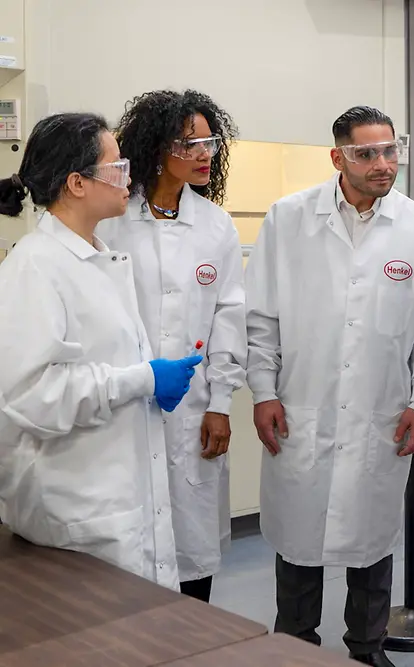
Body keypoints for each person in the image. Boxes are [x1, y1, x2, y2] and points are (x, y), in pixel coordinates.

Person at [245, 105, 414, 666]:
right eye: (367, 154)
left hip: (382, 409)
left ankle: (367, 649)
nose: (383, 164)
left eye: (391, 151)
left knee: (371, 539)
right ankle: (294, 646)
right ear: (338, 158)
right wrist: (262, 391)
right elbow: (261, 317)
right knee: (298, 538)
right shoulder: (288, 219)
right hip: (301, 404)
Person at [0, 112, 203, 588]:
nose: (127, 175)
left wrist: (145, 383)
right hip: (79, 514)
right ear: (77, 183)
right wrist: (143, 379)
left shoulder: (98, 259)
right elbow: (32, 395)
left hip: (116, 501)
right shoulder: (36, 268)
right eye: (115, 166)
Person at [96, 90, 246, 604]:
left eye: (210, 141)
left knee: (192, 539)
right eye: (191, 143)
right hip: (124, 403)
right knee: (129, 543)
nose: (206, 153)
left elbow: (229, 316)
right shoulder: (111, 219)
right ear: (157, 147)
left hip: (194, 407)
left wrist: (222, 404)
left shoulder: (216, 225)